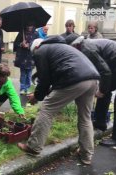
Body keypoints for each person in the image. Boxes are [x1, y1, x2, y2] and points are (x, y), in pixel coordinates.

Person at [18, 36, 100, 165]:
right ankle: (86, 155)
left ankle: (34, 147)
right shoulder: (62, 47)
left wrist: (37, 97)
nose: (35, 56)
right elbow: (55, 81)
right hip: (92, 79)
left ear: (36, 48)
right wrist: (42, 93)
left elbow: (44, 79)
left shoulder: (41, 50)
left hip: (75, 78)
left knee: (46, 110)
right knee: (85, 118)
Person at [65, 34, 116, 146]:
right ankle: (100, 122)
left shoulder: (87, 49)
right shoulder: (85, 45)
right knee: (105, 91)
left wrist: (101, 90)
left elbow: (105, 72)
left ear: (74, 45)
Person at [13, 24, 39, 95]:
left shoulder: (36, 33)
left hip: (31, 57)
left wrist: (29, 45)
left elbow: (39, 43)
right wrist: (21, 44)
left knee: (29, 73)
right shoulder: (22, 32)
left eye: (30, 25)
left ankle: (28, 88)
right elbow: (16, 43)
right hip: (22, 57)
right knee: (23, 74)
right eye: (28, 25)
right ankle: (22, 88)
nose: (29, 27)